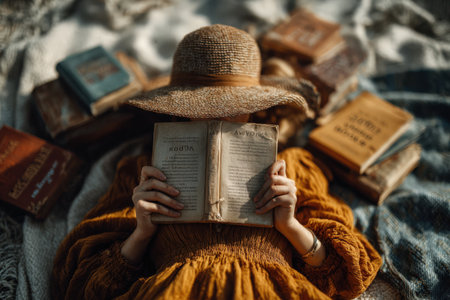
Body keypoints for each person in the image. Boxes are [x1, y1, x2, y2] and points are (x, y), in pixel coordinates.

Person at [51, 24, 382, 299]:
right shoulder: (143, 172)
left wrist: (291, 227)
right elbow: (84, 286)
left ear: (257, 106)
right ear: (178, 108)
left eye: (234, 106)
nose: (218, 117)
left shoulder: (293, 166)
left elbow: (347, 274)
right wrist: (141, 233)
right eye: (201, 106)